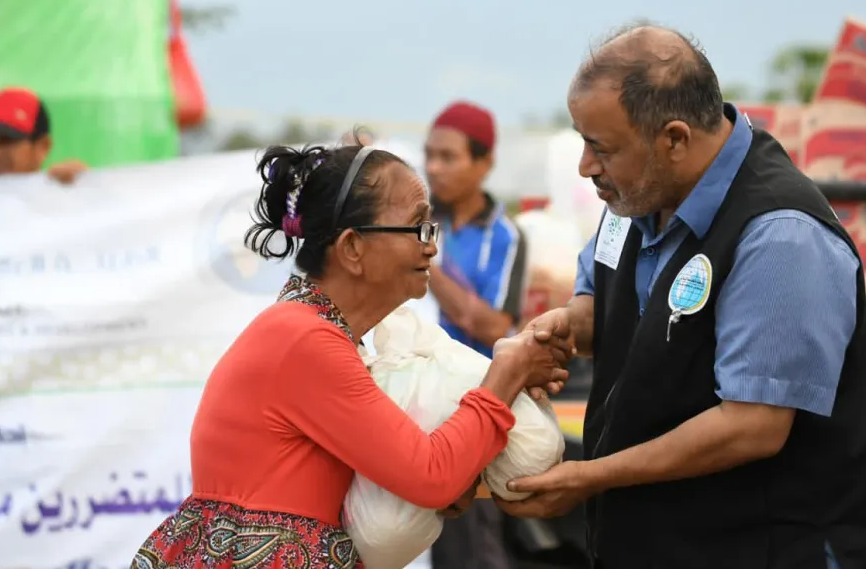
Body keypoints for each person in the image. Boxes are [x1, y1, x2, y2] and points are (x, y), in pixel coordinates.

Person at [495, 23, 866, 569]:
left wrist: (589, 477)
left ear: (675, 139)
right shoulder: (635, 194)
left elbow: (750, 427)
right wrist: (559, 331)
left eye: (601, 148)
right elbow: (607, 305)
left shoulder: (779, 234)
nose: (585, 166)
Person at [131, 142, 571, 568]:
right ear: (352, 249)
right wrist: (508, 373)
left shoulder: (312, 335)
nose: (431, 246)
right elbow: (433, 476)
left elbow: (417, 480)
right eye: (417, 227)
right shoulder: (304, 342)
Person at [424, 101, 527, 569]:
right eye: (429, 155)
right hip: (413, 405)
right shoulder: (417, 216)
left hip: (473, 411)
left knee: (471, 543)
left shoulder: (505, 236)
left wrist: (419, 261)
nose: (433, 167)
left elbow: (491, 325)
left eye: (448, 157)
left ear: (484, 163)